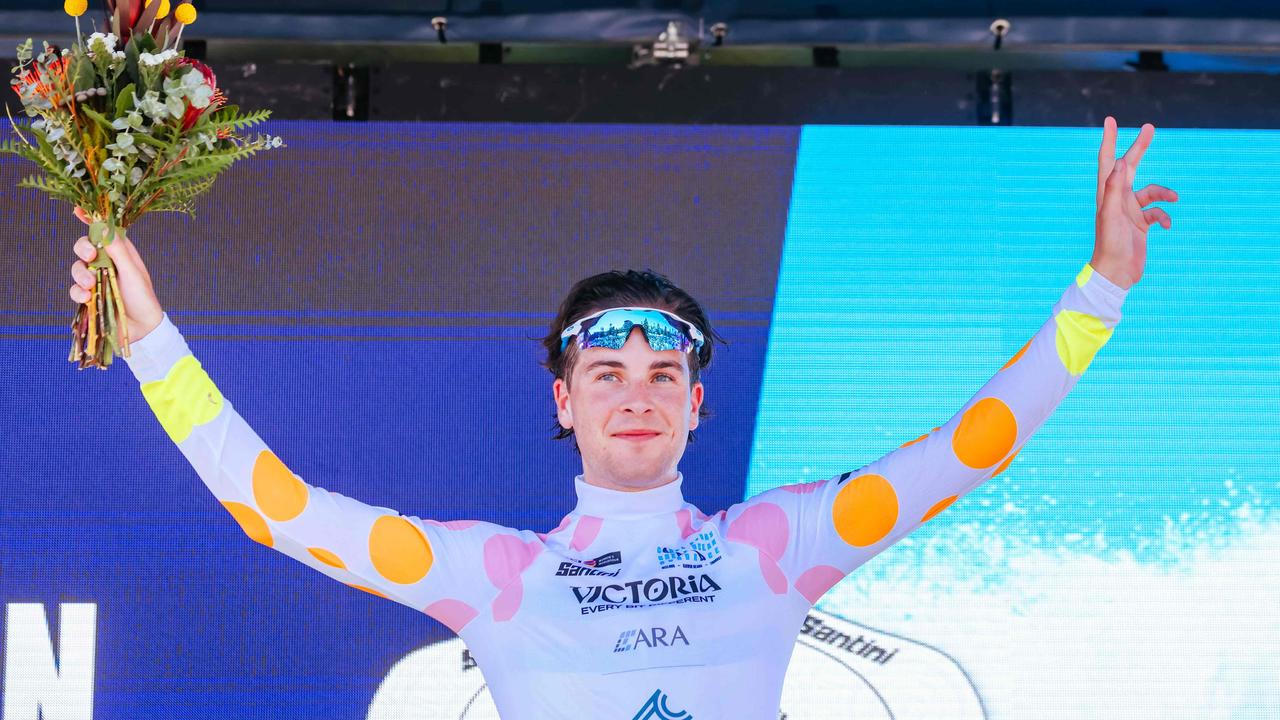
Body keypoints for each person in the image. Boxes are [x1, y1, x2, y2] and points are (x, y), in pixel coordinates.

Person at [67, 118, 1176, 719]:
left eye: (660, 371)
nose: (635, 389)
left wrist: (1102, 288)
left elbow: (974, 445)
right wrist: (150, 335)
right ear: (563, 399)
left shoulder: (777, 547)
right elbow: (280, 511)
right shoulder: (492, 575)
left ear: (697, 404)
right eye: (606, 370)